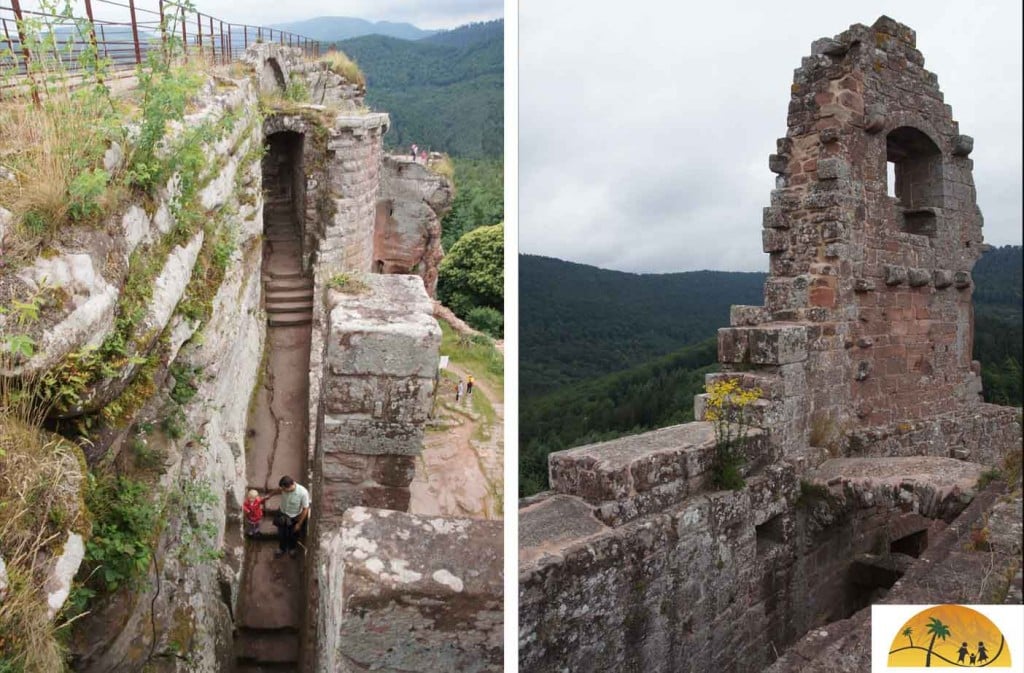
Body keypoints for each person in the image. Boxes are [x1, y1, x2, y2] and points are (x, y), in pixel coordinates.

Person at [267, 475, 310, 558]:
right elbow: (278, 490)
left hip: (294, 517)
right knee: (281, 533)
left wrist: (299, 524)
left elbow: (305, 509)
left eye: (285, 490)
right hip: (282, 514)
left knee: (293, 535)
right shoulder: (283, 488)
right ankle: (281, 548)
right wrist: (269, 495)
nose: (283, 491)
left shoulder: (303, 493)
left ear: (292, 484)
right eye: (283, 489)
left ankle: (292, 549)